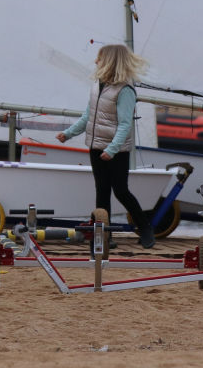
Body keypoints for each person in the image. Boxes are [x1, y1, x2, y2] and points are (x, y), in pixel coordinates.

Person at [57, 44, 155, 247]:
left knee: (120, 190)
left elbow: (125, 124)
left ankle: (145, 228)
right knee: (102, 190)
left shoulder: (125, 90)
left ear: (109, 61)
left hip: (116, 150)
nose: (95, 61)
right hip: (96, 147)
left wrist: (111, 150)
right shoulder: (97, 85)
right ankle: (104, 236)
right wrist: (68, 134)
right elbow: (88, 116)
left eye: (99, 58)